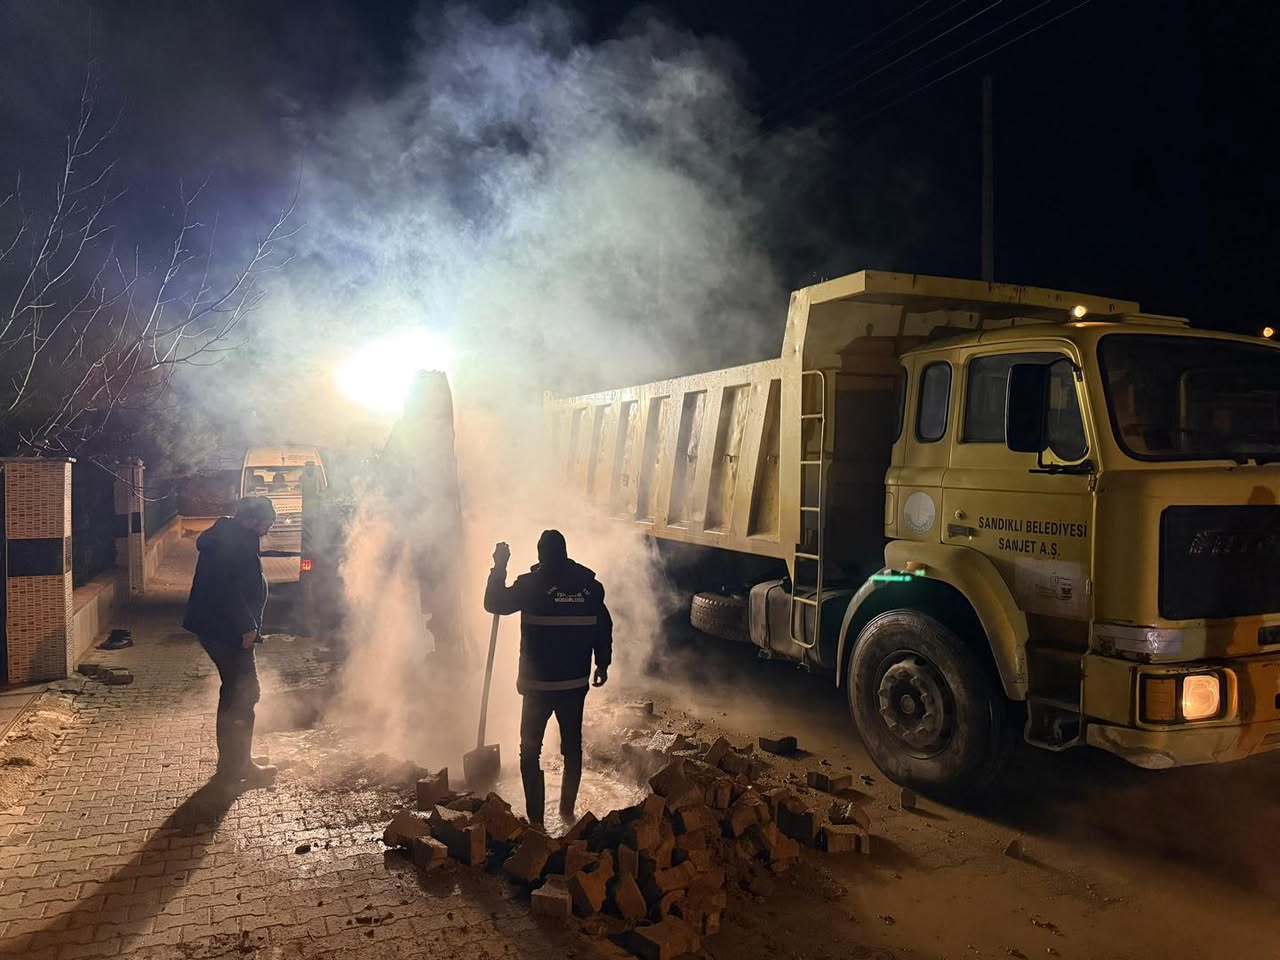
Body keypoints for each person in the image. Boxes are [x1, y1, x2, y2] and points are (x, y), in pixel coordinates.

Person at [484, 530, 612, 828]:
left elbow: (495, 603)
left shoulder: (531, 585)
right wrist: (602, 663)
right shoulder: (590, 589)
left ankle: (537, 821)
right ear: (565, 553)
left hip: (537, 688)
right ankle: (567, 813)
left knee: (529, 751)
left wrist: (499, 566)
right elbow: (603, 628)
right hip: (573, 686)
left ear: (541, 554)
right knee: (572, 749)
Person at [182, 496, 278, 788]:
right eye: (266, 523)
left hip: (220, 627)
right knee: (243, 694)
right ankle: (237, 769)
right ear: (251, 520)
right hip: (225, 630)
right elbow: (226, 588)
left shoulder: (233, 536)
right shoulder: (232, 542)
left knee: (238, 694)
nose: (267, 529)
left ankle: (236, 762)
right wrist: (246, 625)